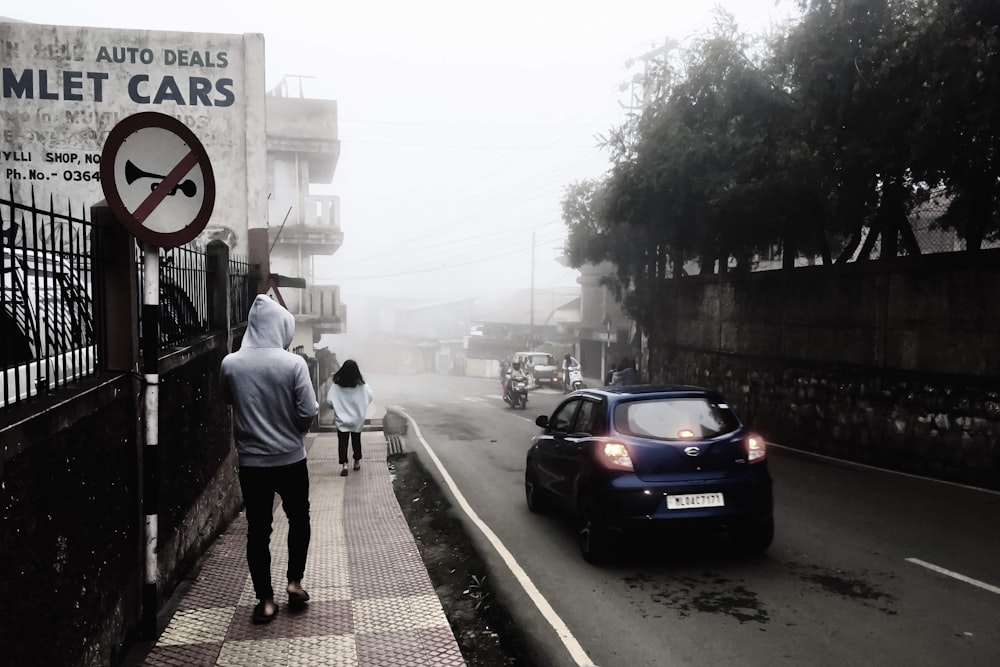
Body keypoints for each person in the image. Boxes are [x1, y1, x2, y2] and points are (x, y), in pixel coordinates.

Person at [219, 294, 318, 624]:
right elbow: (309, 411)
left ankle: (265, 601)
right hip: (291, 459)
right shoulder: (293, 364)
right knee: (298, 519)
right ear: (280, 327)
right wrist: (296, 431)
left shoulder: (231, 363)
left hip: (252, 464)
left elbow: (226, 399)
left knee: (258, 531)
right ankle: (294, 582)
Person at [326, 359, 374, 477]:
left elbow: (329, 403)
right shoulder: (362, 387)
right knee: (356, 441)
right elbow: (370, 398)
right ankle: (357, 462)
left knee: (343, 443)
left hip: (342, 421)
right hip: (356, 420)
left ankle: (345, 465)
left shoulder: (335, 387)